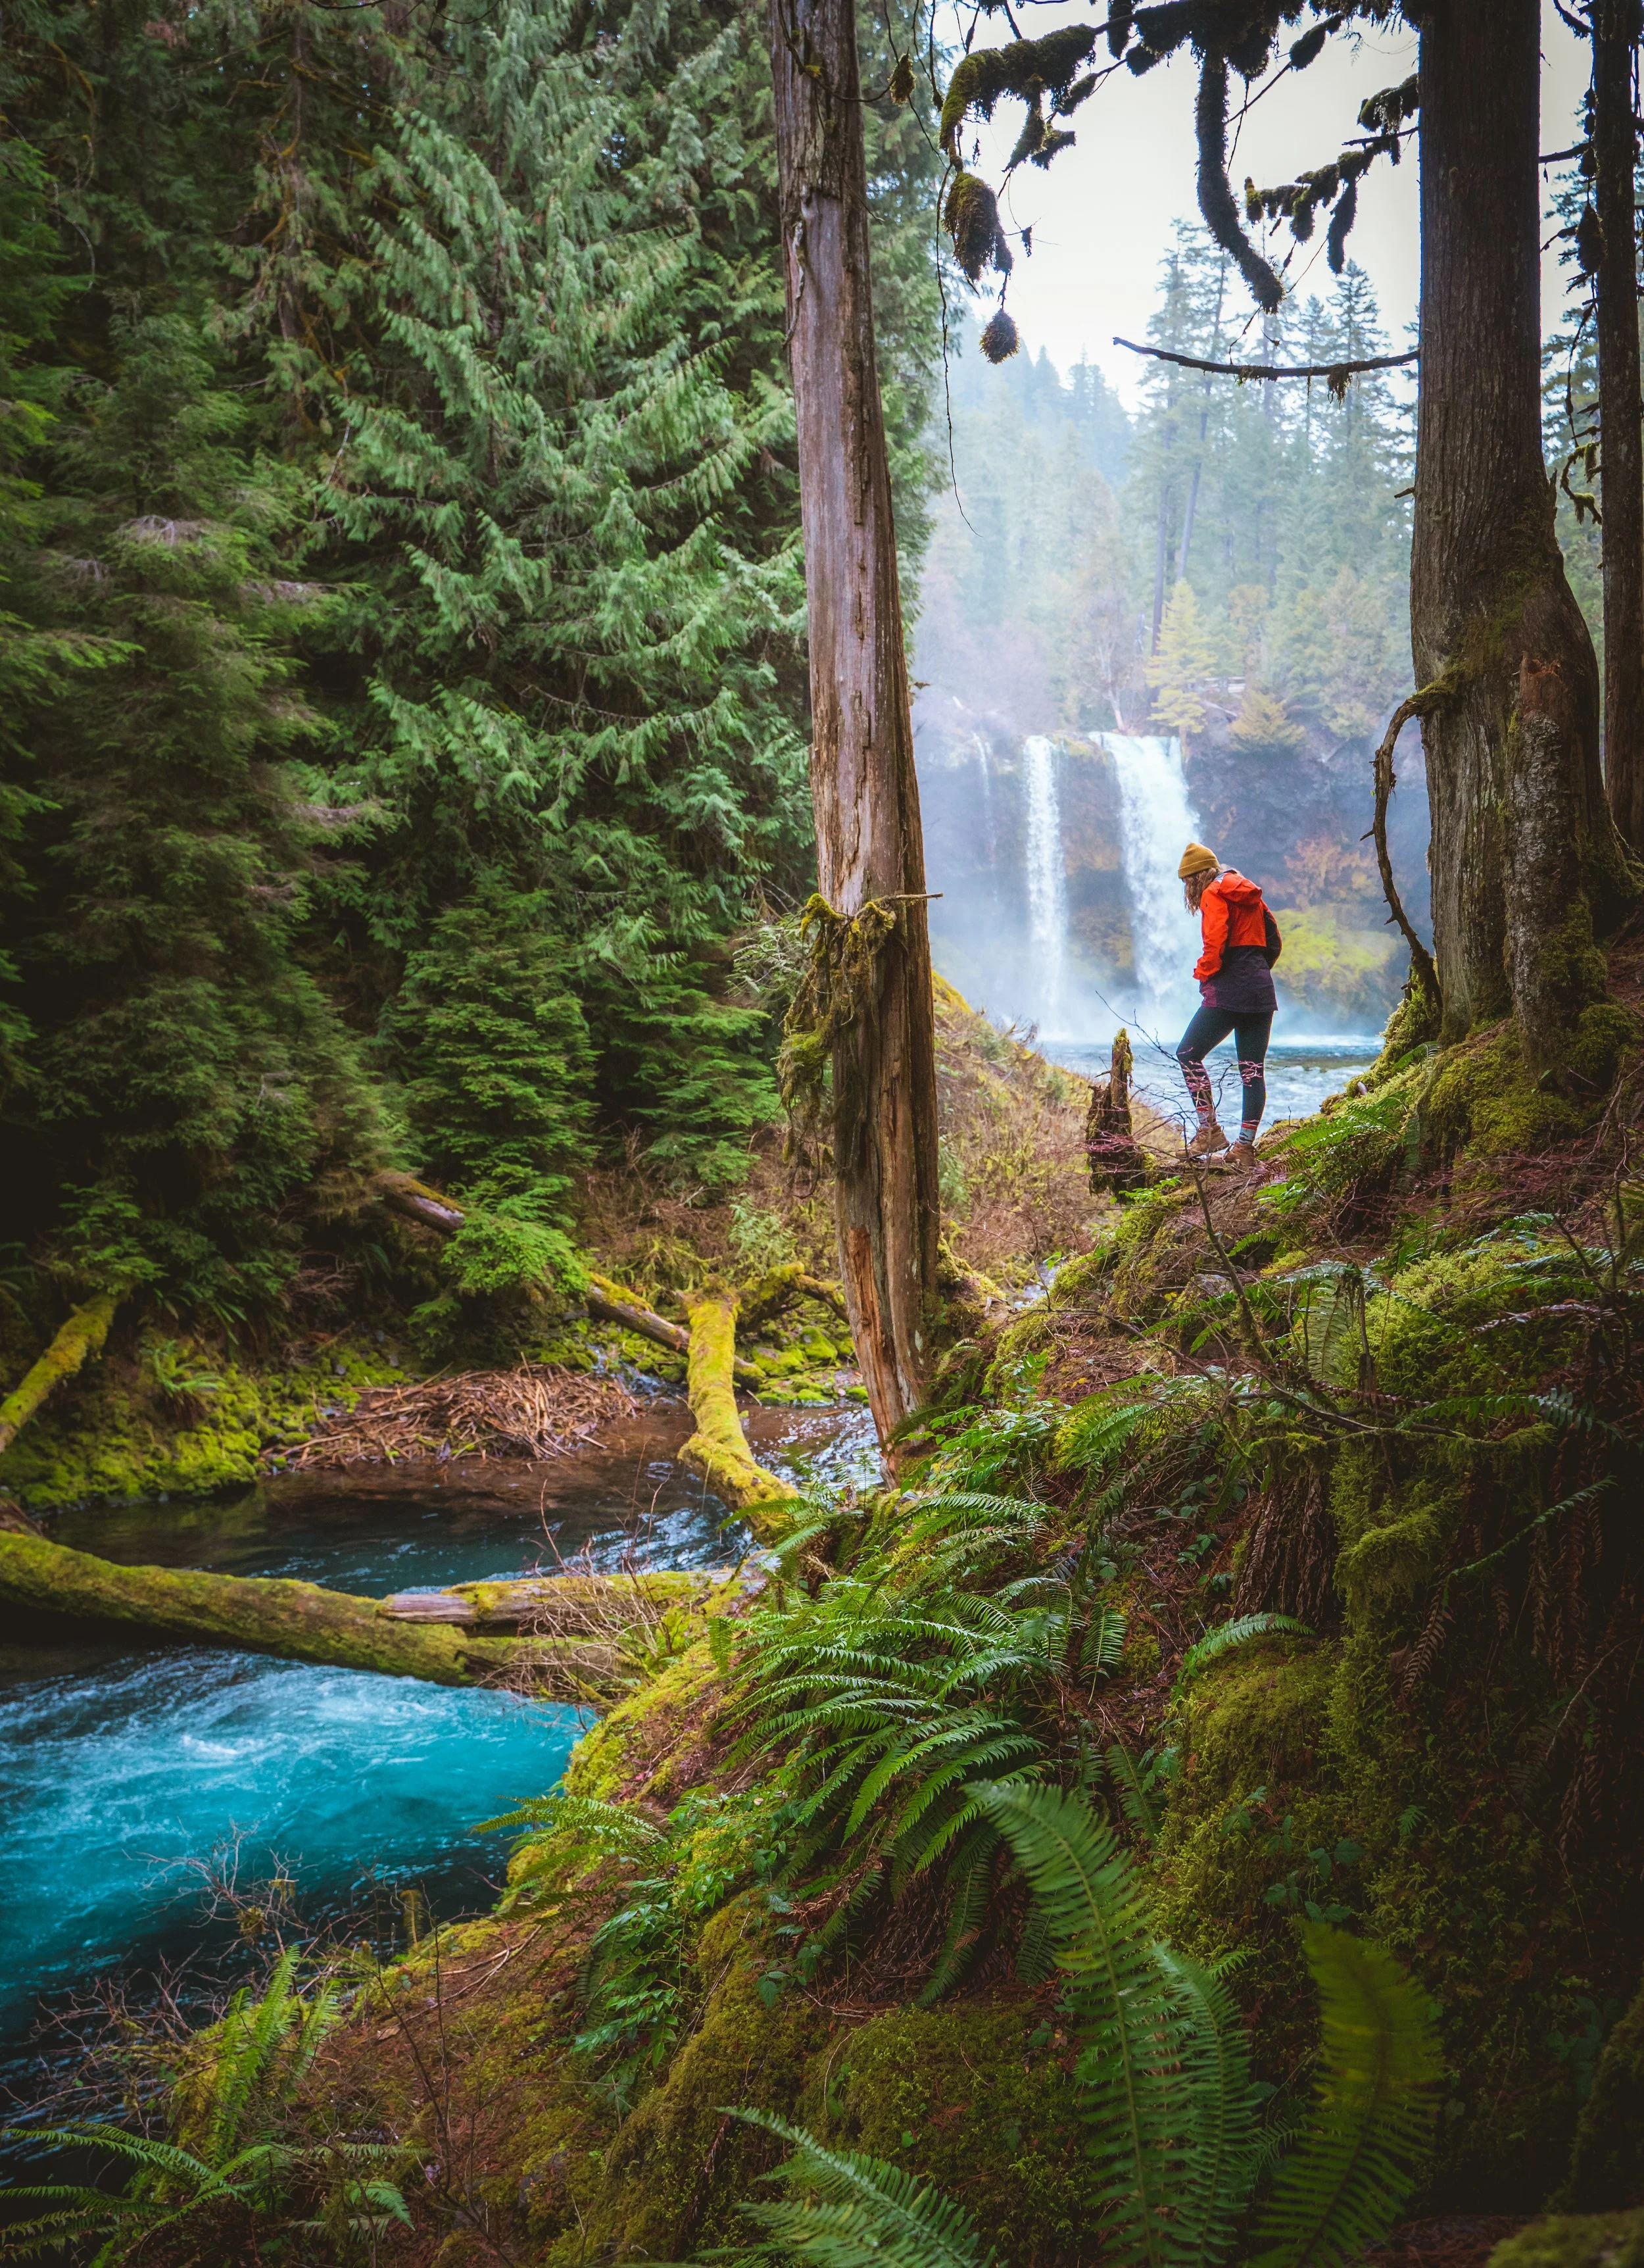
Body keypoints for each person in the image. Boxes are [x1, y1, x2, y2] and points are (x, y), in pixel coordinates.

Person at [1174, 841, 1282, 1169]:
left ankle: (1209, 1130)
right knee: (1252, 1070)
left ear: (1195, 878)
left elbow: (1215, 940)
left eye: (1187, 884)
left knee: (1188, 1053)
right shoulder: (1251, 893)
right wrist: (1258, 973)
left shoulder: (1213, 893)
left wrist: (1204, 974)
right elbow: (1274, 940)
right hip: (1260, 988)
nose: (1189, 891)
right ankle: (1244, 1148)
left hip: (1230, 986)